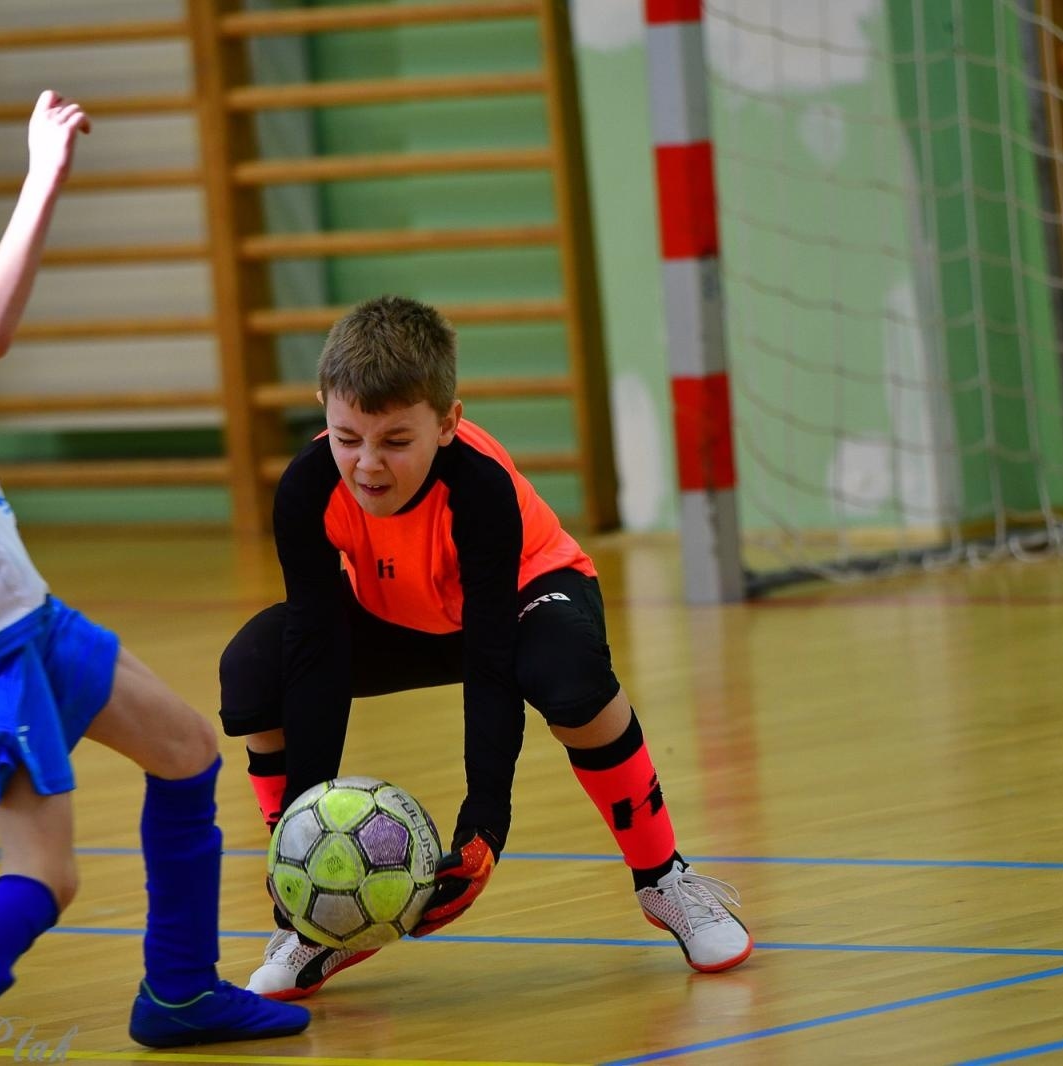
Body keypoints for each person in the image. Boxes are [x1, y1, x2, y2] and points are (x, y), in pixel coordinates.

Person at [0, 93, 309, 1066]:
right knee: (45, 874)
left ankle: (181, 989)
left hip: (8, 609)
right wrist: (44, 173)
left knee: (184, 748)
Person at [220, 295, 755, 1000]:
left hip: (521, 600)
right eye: (348, 437)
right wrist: (297, 835)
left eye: (396, 441)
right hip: (399, 611)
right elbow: (316, 653)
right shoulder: (306, 490)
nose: (368, 465)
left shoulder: (478, 487)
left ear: (448, 423)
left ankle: (665, 880)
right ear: (323, 406)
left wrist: (484, 829)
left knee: (570, 679)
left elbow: (491, 660)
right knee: (255, 666)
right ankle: (319, 920)